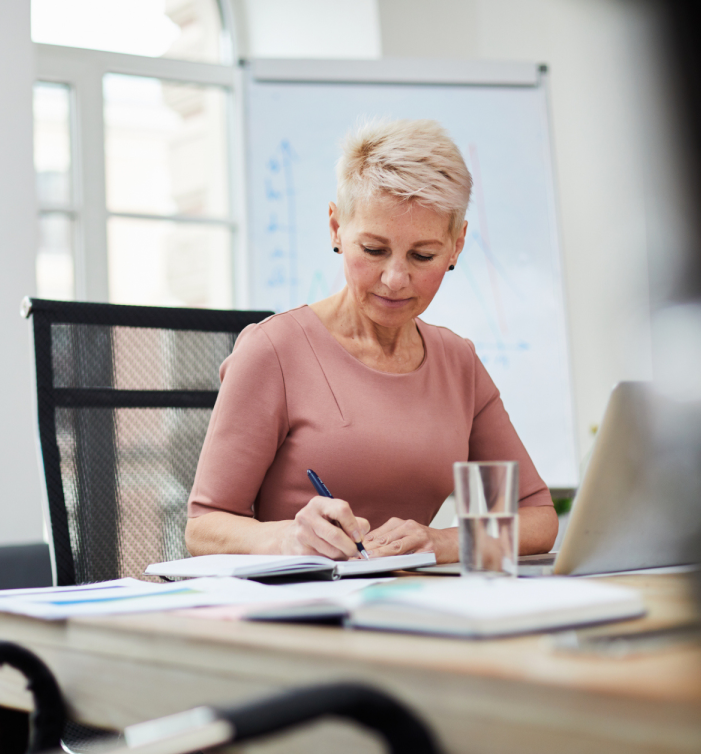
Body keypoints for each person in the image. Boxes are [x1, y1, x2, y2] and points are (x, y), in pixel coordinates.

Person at [186, 118, 557, 565]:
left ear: (456, 246)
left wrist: (439, 543)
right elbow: (204, 527)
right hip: (301, 615)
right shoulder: (273, 350)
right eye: (374, 250)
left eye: (423, 255)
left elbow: (536, 517)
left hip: (414, 610)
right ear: (336, 228)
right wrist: (288, 539)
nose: (396, 279)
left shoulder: (458, 361)